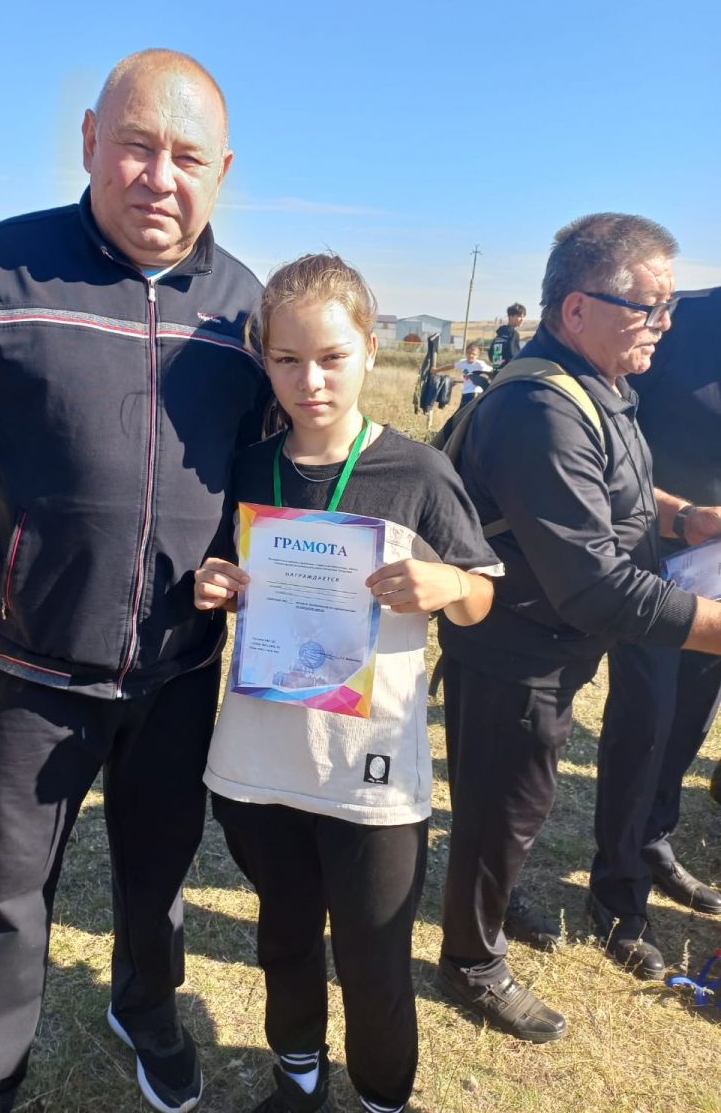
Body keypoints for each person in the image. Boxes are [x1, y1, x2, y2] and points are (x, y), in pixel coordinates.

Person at [0, 49, 269, 1113]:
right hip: (30, 664)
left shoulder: (247, 311)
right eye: (135, 146)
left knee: (159, 868)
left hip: (180, 667)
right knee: (2, 887)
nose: (159, 177)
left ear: (222, 171)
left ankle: (146, 1005)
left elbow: (272, 473)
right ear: (88, 141)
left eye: (187, 158)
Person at [193, 253, 500, 1113]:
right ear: (264, 361)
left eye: (331, 357)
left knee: (373, 963)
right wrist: (212, 584)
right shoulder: (245, 469)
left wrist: (448, 584)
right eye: (287, 360)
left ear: (371, 349)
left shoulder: (418, 473)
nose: (311, 381)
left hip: (370, 776)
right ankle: (298, 1082)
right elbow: (217, 571)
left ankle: (380, 1100)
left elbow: (481, 598)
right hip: (261, 765)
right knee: (285, 940)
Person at [434, 213, 721, 1042]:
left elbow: (613, 490)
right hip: (514, 653)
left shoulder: (596, 384)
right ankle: (471, 961)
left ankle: (491, 903)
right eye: (649, 307)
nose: (664, 324)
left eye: (669, 307)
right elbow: (598, 589)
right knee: (503, 808)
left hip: (546, 648)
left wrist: (685, 518)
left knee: (513, 806)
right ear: (577, 309)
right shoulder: (541, 410)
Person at [625, 285, 721, 914]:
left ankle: (653, 836)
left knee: (694, 713)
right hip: (661, 554)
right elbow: (610, 439)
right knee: (649, 715)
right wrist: (681, 516)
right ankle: (621, 862)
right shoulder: (679, 320)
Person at [488, 302, 526, 371]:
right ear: (510, 317)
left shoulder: (499, 335)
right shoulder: (513, 334)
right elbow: (514, 355)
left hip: (496, 371)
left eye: (523, 316)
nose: (522, 319)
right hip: (508, 372)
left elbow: (491, 354)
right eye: (519, 316)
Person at [453, 341, 491, 407]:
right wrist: (436, 370)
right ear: (466, 353)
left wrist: (483, 379)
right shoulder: (462, 363)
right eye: (469, 353)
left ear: (478, 355)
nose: (471, 355)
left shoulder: (479, 364)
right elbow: (451, 366)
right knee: (463, 411)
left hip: (475, 392)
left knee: (470, 411)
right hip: (465, 392)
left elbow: (491, 371)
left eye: (473, 354)